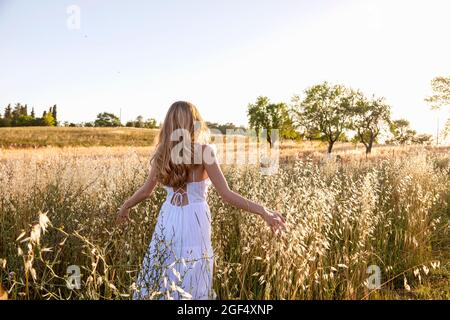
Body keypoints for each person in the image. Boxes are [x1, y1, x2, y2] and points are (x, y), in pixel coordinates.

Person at [116, 101, 286, 300]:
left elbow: (146, 191)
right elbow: (227, 194)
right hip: (195, 219)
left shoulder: (162, 153)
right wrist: (263, 211)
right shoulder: (205, 151)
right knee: (193, 271)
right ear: (194, 122)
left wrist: (126, 205)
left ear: (168, 124)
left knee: (162, 267)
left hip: (168, 217)